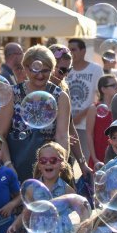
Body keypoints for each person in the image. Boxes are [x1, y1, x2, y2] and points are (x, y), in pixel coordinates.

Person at [0, 44, 71, 183]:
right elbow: (1, 133)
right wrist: (8, 165)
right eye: (35, 70)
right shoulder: (13, 93)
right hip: (16, 163)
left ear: (52, 69)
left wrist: (60, 167)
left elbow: (62, 136)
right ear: (25, 68)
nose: (40, 75)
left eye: (46, 70)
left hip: (48, 167)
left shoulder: (60, 97)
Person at [6, 142, 75, 233]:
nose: (48, 163)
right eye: (43, 161)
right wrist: (14, 225)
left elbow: (81, 213)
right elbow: (26, 212)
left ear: (61, 164)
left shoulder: (67, 189)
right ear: (39, 164)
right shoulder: (33, 189)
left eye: (53, 160)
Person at [48, 43, 92, 176]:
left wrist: (82, 163)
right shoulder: (34, 89)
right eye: (62, 70)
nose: (65, 75)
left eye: (68, 70)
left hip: (60, 153)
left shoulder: (63, 90)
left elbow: (71, 128)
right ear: (50, 66)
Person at [66, 38, 104, 162]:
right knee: (66, 162)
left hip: (86, 124)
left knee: (87, 160)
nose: (71, 53)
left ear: (83, 51)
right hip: (66, 125)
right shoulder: (66, 70)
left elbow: (100, 97)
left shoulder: (95, 69)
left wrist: (81, 115)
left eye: (74, 50)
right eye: (68, 50)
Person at [86, 74, 117, 169]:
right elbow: (89, 134)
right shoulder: (94, 108)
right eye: (113, 85)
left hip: (115, 154)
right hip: (98, 154)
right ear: (103, 89)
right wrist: (94, 158)